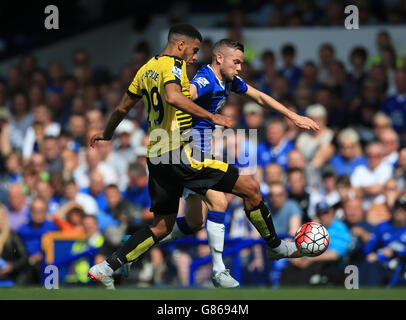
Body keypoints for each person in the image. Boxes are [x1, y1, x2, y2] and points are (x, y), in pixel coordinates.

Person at [88, 24, 318, 290]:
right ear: (184, 46)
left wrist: (106, 133)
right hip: (184, 151)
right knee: (246, 190)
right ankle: (261, 253)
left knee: (173, 225)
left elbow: (121, 107)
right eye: (195, 50)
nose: (195, 57)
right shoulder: (193, 75)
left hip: (158, 156)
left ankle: (110, 265)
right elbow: (180, 95)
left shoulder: (147, 69)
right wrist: (210, 116)